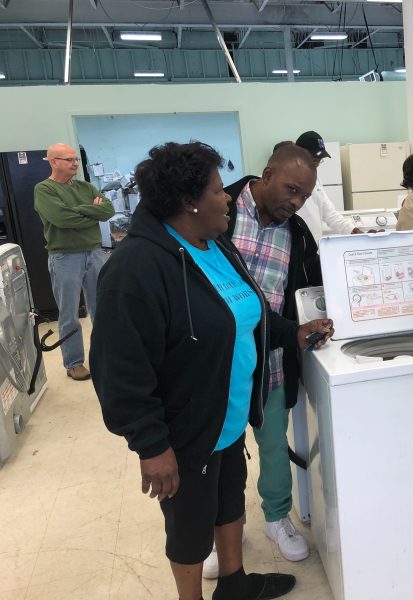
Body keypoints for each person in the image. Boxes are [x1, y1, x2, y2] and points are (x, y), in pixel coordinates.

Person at [89, 141, 333, 600]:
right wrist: (150, 444)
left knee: (227, 503)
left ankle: (234, 585)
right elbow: (119, 370)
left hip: (230, 413)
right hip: (186, 428)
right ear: (189, 202)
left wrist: (294, 332)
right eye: (219, 191)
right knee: (189, 526)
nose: (228, 199)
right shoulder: (137, 267)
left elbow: (250, 310)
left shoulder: (214, 244)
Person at [219, 144, 321, 568]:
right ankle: (225, 528)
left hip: (274, 359)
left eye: (304, 197)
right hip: (218, 362)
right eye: (292, 189)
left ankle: (277, 518)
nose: (295, 202)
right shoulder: (219, 210)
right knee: (219, 450)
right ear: (267, 174)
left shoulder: (297, 233)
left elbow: (313, 288)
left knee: (275, 445)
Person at [34, 143, 114, 381]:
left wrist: (80, 210)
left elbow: (107, 211)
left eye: (76, 160)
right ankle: (74, 363)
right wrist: (90, 211)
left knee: (101, 309)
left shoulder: (85, 186)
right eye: (68, 160)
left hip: (93, 252)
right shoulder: (44, 189)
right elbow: (61, 219)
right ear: (53, 162)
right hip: (64, 256)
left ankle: (105, 357)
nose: (74, 164)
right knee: (69, 313)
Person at [291, 131, 361, 241]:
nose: (317, 165)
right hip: (291, 250)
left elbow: (330, 214)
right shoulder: (282, 181)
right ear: (298, 153)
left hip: (314, 248)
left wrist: (355, 231)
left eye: (319, 161)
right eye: (314, 160)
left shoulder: (316, 181)